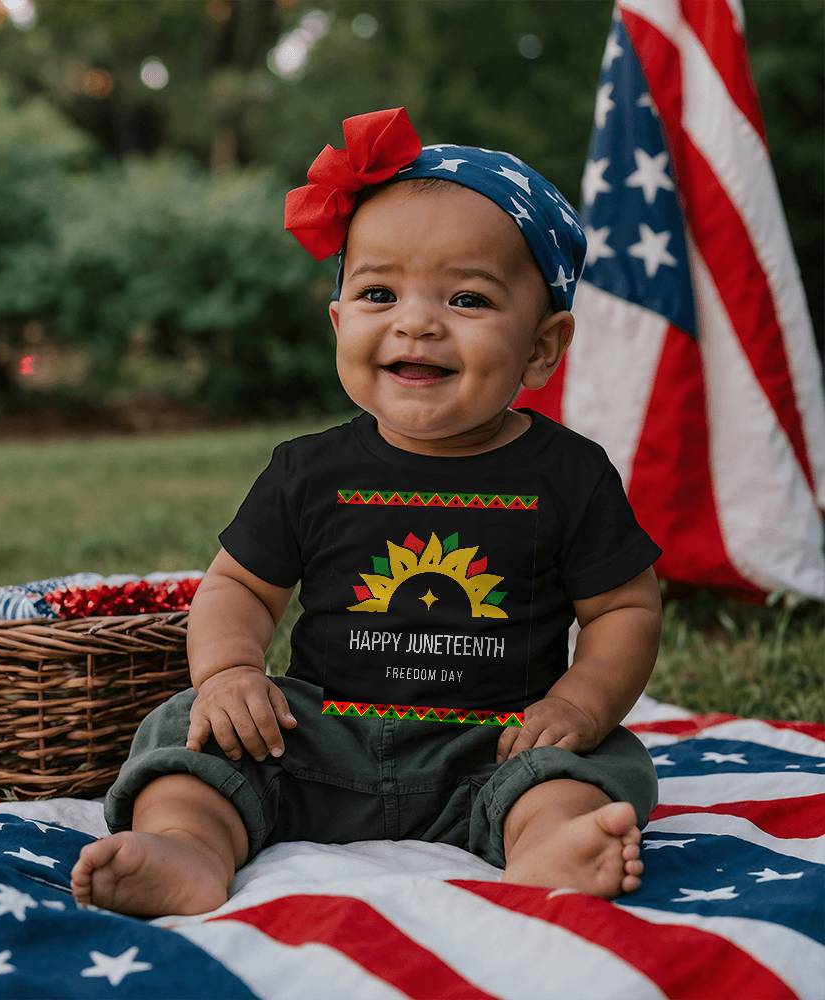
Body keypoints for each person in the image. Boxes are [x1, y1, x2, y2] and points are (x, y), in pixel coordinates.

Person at [70, 107, 663, 918]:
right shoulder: (309, 470)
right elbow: (237, 588)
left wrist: (578, 704)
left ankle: (549, 845)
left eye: (467, 298)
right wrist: (231, 673)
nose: (415, 322)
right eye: (380, 291)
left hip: (493, 746)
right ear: (340, 321)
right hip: (315, 738)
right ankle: (189, 846)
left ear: (542, 347)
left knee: (590, 764)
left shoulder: (570, 473)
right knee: (187, 734)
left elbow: (625, 607)